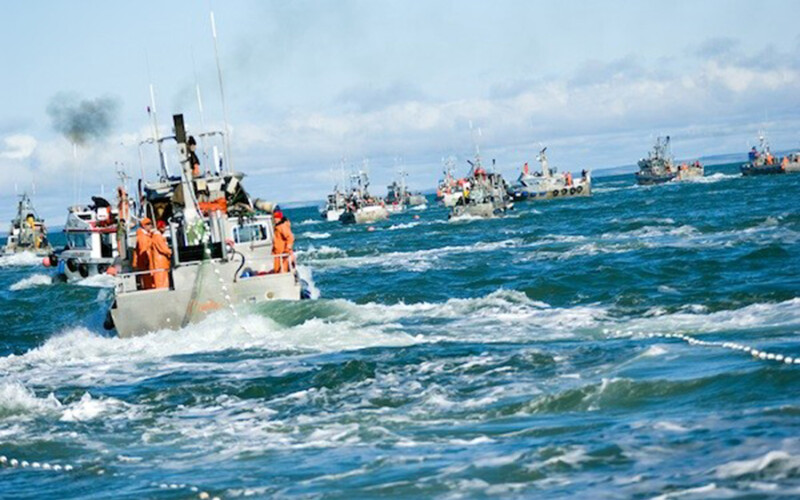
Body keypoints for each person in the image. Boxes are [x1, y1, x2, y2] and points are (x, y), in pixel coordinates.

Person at [149, 220, 172, 289]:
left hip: (160, 262)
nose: (165, 229)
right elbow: (163, 248)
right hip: (160, 262)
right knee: (162, 281)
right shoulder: (158, 236)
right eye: (164, 227)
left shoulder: (156, 236)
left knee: (162, 279)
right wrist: (170, 252)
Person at [132, 218, 153, 289]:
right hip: (145, 263)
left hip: (145, 262)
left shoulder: (145, 235)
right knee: (147, 280)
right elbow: (143, 250)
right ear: (143, 226)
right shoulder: (142, 236)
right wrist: (146, 261)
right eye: (148, 224)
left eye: (150, 224)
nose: (150, 226)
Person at [272, 209, 295, 273]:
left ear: (279, 218)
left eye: (276, 218)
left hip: (282, 253)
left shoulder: (282, 226)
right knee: (277, 270)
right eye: (274, 218)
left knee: (283, 271)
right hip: (278, 253)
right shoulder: (278, 227)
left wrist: (287, 249)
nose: (275, 219)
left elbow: (290, 237)